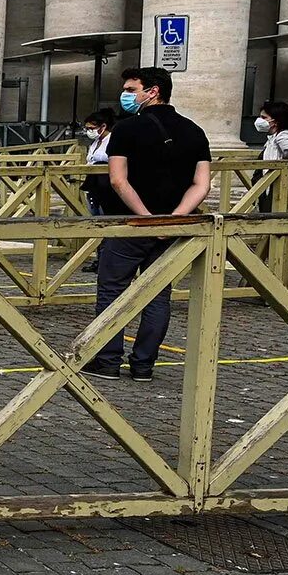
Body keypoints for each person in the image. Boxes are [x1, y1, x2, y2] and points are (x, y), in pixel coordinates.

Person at [84, 66, 212, 379]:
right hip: (171, 227)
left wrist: (145, 217)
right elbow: (202, 183)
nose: (125, 95)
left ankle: (107, 360)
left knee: (112, 290)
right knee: (158, 295)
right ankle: (143, 365)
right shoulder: (194, 131)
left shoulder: (126, 129)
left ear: (152, 91)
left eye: (130, 89)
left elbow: (118, 180)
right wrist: (176, 217)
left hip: (130, 222)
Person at [80, 107, 123, 216]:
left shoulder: (113, 139)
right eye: (87, 129)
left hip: (108, 185)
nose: (89, 131)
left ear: (103, 126)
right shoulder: (95, 142)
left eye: (91, 128)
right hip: (93, 184)